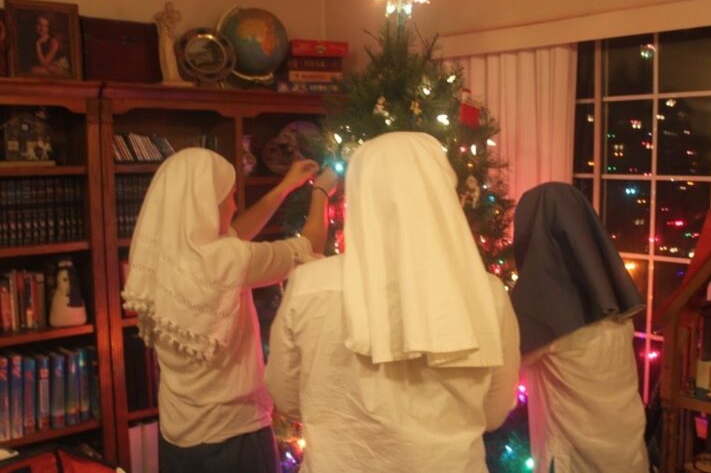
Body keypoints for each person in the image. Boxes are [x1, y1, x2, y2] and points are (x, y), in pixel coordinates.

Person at [265, 131, 520, 473]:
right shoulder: (487, 294)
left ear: (359, 194)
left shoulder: (309, 285)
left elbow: (286, 398)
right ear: (442, 192)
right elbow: (494, 412)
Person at [121, 147, 337, 473]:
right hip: (235, 439)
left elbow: (235, 231)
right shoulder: (226, 261)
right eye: (230, 196)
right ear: (206, 202)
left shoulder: (160, 256)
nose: (235, 204)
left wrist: (283, 188)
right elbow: (309, 247)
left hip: (177, 439)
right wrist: (321, 192)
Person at [511, 182, 649, 473]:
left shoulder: (543, 315)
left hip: (574, 460)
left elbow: (504, 367)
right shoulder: (615, 308)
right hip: (628, 454)